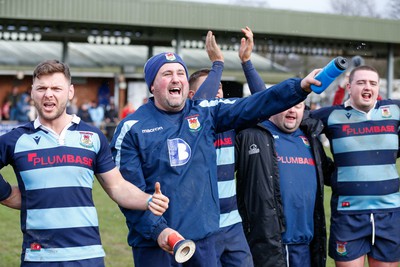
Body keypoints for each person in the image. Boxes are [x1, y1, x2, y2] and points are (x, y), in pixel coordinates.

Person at [109, 28, 324, 266]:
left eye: (180, 72)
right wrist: (160, 231)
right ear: (152, 85)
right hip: (157, 244)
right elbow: (126, 192)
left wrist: (299, 88)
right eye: (166, 73)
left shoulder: (205, 113)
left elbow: (255, 104)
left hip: (204, 241)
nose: (175, 78)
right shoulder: (132, 127)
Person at [0, 59, 169, 266]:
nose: (48, 94)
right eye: (41, 88)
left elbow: (117, 186)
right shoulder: (15, 139)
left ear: (70, 92)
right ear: (32, 93)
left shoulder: (93, 136)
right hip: (38, 257)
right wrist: (6, 194)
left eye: (56, 88)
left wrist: (148, 200)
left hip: (88, 256)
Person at [188, 27, 265, 266]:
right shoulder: (187, 123)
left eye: (220, 85)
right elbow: (201, 107)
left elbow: (264, 102)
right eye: (212, 85)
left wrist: (247, 62)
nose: (218, 89)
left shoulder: (230, 123)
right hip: (201, 226)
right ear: (192, 95)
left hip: (232, 224)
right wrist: (217, 64)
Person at [310, 65, 400, 267]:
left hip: (390, 214)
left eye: (373, 83)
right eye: (361, 82)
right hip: (348, 215)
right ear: (349, 87)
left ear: (378, 88)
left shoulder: (394, 110)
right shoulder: (330, 116)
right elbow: (290, 114)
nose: (367, 87)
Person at [235, 101, 332, 267]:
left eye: (298, 106)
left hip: (305, 245)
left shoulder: (310, 138)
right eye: (287, 104)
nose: (292, 110)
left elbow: (332, 175)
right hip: (269, 245)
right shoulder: (251, 134)